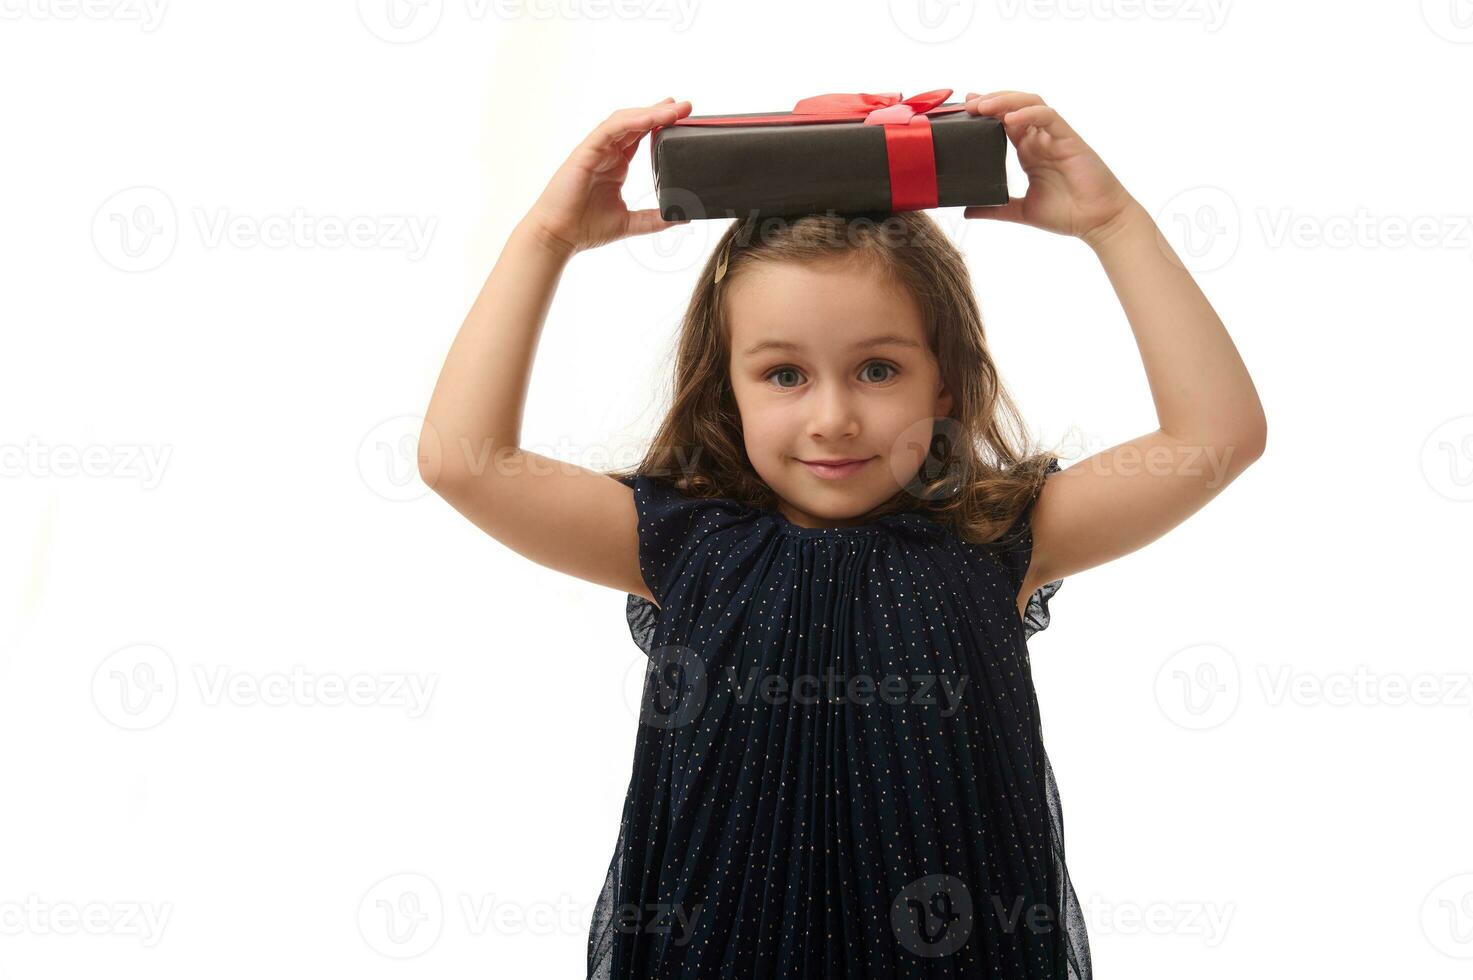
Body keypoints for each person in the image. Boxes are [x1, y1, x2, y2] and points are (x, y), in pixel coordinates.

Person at [420, 92, 1266, 979]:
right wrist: (546, 239)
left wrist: (1113, 223)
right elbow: (460, 462)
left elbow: (1216, 439)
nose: (833, 418)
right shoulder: (679, 544)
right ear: (727, 391)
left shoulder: (991, 538)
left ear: (944, 386)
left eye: (877, 369)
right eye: (784, 373)